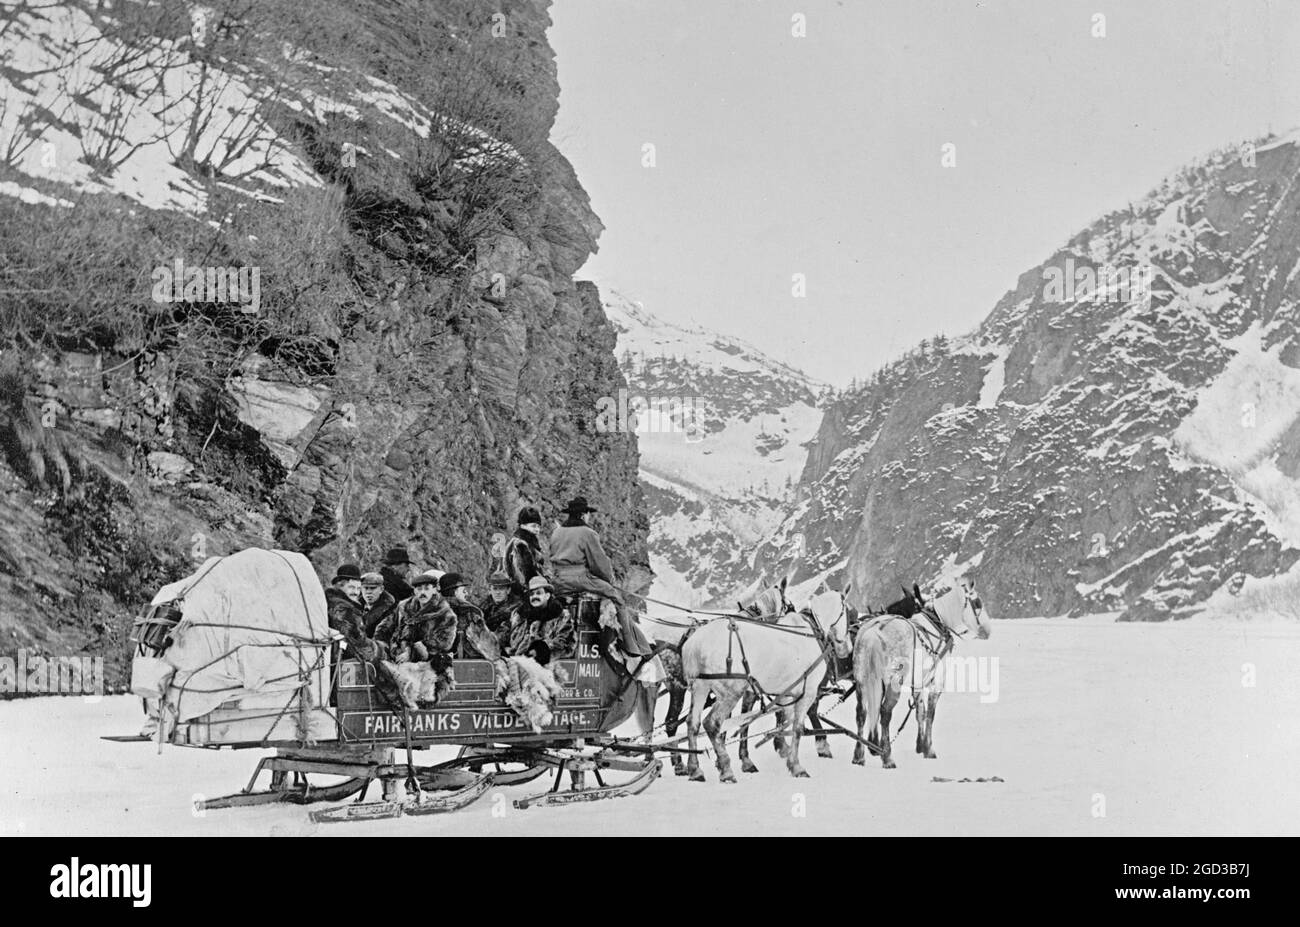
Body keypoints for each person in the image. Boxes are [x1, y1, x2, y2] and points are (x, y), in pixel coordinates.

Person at [549, 496, 651, 657]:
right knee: (617, 599)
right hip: (580, 580)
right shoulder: (588, 533)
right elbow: (599, 564)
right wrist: (609, 581)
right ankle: (631, 647)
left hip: (557, 581)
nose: (589, 517)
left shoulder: (557, 532)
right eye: (588, 514)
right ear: (583, 515)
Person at [380, 572, 456, 671]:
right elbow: (386, 628)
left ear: (434, 590)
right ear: (415, 591)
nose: (422, 593)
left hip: (432, 666)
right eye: (419, 589)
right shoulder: (404, 607)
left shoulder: (445, 614)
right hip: (401, 661)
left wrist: (411, 653)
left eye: (426, 588)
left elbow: (444, 643)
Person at [505, 575, 575, 659]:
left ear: (547, 596)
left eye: (539, 593)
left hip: (544, 666)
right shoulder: (519, 615)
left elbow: (564, 645)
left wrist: (538, 652)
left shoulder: (561, 616)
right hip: (514, 663)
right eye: (532, 594)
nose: (534, 597)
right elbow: (504, 634)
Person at [440, 572, 497, 660]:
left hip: (437, 666)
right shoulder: (471, 612)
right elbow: (489, 648)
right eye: (463, 590)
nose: (466, 593)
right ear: (455, 592)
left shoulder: (433, 611)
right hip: (468, 666)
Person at [504, 507, 545, 602]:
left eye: (538, 526)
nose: (537, 530)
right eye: (534, 526)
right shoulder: (521, 544)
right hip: (525, 592)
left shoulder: (519, 541)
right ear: (523, 525)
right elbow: (527, 572)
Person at [359, 571, 398, 638]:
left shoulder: (391, 610)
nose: (368, 592)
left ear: (381, 589)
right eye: (365, 588)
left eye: (372, 588)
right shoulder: (354, 606)